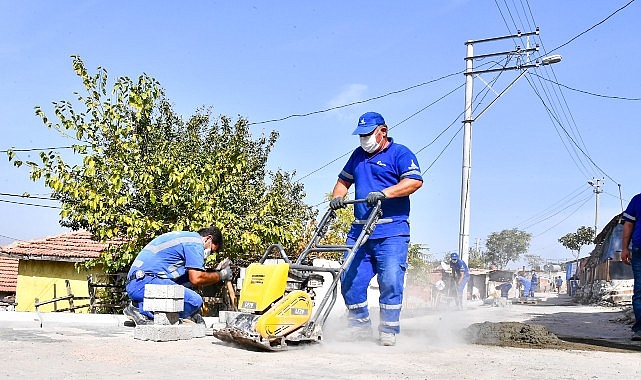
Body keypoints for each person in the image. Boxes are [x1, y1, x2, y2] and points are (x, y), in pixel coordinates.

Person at [329, 111, 423, 346]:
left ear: (383, 131)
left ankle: (388, 329)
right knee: (349, 280)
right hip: (359, 231)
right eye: (360, 135)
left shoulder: (400, 153)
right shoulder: (358, 156)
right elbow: (343, 181)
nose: (364, 139)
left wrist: (385, 193)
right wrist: (338, 197)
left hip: (391, 230)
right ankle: (359, 328)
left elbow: (414, 181)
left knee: (390, 279)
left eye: (368, 134)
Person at [123, 226, 232, 325]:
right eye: (212, 251)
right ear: (208, 239)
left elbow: (191, 277)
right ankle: (142, 310)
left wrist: (215, 271)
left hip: (138, 281)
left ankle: (141, 305)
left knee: (187, 279)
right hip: (143, 282)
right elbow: (196, 278)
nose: (209, 254)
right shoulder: (195, 243)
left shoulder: (186, 238)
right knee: (195, 301)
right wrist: (221, 275)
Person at [622, 193, 641, 340]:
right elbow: (628, 224)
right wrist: (624, 248)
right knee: (640, 290)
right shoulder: (637, 200)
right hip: (639, 250)